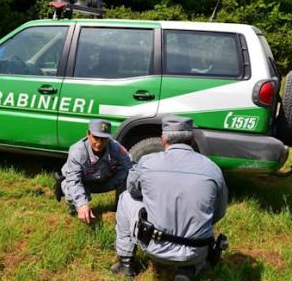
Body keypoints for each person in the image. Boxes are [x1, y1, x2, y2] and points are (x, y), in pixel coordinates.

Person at [111, 115, 228, 280]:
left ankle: (126, 263)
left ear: (163, 140)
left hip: (155, 247)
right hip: (197, 250)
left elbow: (132, 190)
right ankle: (188, 269)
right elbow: (219, 211)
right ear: (193, 140)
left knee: (125, 198)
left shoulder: (147, 162)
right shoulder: (212, 168)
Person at [55, 119, 133, 224]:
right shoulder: (77, 151)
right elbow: (74, 181)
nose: (99, 143)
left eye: (104, 139)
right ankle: (75, 213)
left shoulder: (115, 147)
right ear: (88, 134)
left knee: (128, 174)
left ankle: (121, 209)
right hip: (83, 184)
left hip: (105, 181)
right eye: (96, 137)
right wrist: (82, 205)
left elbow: (130, 166)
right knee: (69, 186)